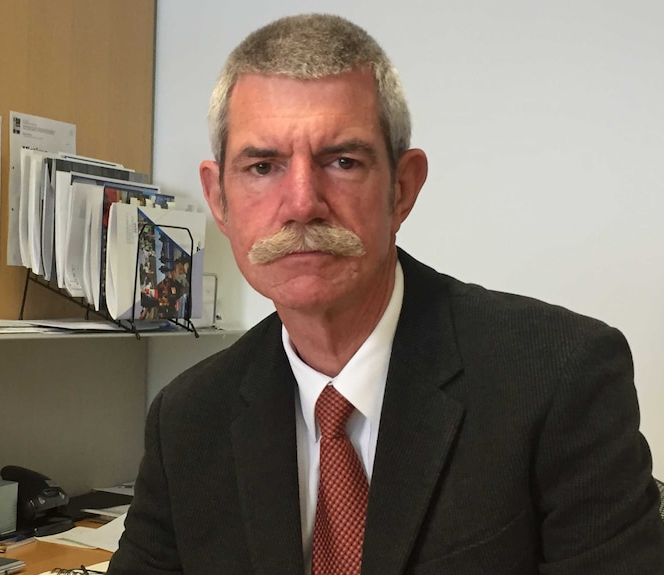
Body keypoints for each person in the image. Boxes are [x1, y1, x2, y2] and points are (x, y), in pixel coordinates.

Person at [107, 13, 664, 574]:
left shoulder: (560, 376)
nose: (302, 203)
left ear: (402, 188)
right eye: (263, 166)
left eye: (342, 161)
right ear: (219, 199)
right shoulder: (187, 420)